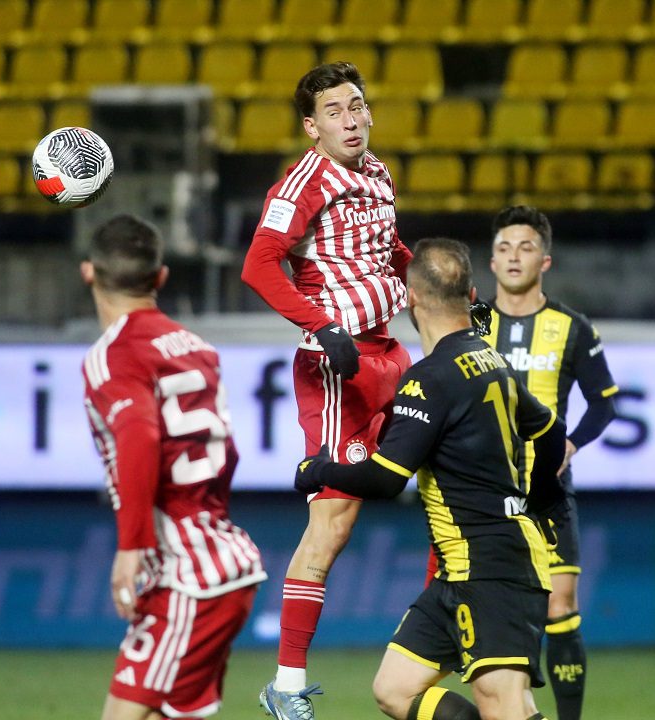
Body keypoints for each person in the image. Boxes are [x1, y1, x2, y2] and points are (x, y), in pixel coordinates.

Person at [294, 238, 569, 720]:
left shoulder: (429, 378)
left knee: (504, 705)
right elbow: (550, 429)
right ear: (472, 294)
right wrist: (543, 496)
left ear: (410, 297)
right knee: (395, 690)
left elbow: (385, 478)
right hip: (457, 572)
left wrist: (318, 470)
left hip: (492, 566)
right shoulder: (493, 360)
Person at [240, 61, 413, 720]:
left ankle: (454, 637)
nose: (351, 120)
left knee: (450, 481)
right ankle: (286, 687)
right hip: (338, 367)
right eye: (334, 112)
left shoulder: (378, 174)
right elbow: (259, 265)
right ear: (312, 128)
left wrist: (449, 296)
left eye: (357, 106)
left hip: (391, 352)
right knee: (333, 524)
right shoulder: (303, 182)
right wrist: (320, 325)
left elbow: (389, 250)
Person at [81, 214, 268, 720]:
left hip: (187, 576)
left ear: (88, 273)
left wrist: (131, 545)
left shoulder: (111, 356)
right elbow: (227, 453)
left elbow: (138, 436)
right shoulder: (197, 349)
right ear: (161, 277)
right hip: (219, 559)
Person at [476, 206, 619, 720]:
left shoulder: (571, 327)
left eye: (526, 247)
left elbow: (603, 403)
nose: (514, 256)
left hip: (547, 490)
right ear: (492, 262)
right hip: (482, 491)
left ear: (546, 260)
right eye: (504, 248)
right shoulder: (471, 324)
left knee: (561, 607)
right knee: (495, 615)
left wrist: (570, 446)